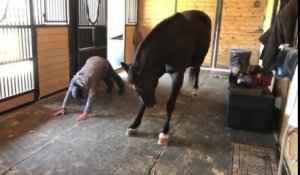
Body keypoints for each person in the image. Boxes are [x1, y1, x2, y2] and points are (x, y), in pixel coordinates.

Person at [53, 56, 125, 121]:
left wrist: (86, 112)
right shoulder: (75, 78)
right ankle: (110, 85)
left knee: (112, 75)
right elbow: (69, 92)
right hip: (91, 61)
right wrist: (63, 107)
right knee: (102, 76)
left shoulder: (91, 80)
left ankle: (122, 86)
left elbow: (91, 96)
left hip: (102, 63)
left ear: (83, 89)